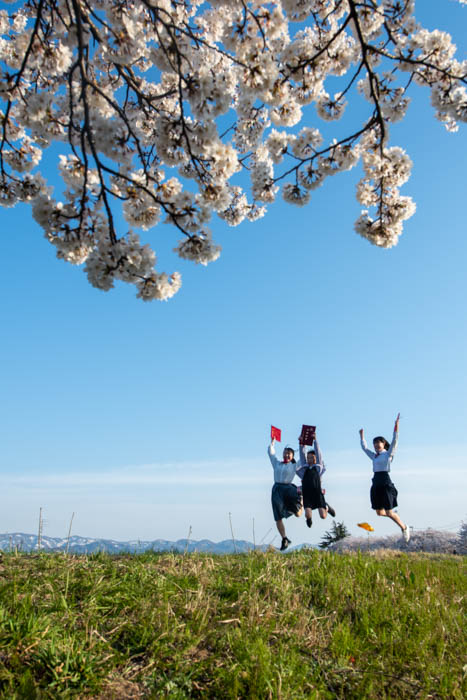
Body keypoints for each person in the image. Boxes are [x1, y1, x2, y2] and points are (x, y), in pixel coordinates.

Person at [359, 413, 410, 542]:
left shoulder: (388, 454)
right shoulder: (374, 456)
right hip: (376, 483)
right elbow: (364, 448)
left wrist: (396, 426)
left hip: (385, 481)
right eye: (374, 443)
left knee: (387, 512)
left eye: (378, 443)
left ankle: (404, 527)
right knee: (379, 513)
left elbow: (395, 441)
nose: (376, 445)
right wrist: (362, 437)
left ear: (383, 444)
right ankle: (393, 514)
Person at [268, 436, 303, 551]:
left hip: (289, 490)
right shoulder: (277, 464)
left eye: (289, 454)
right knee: (277, 517)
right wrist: (272, 443)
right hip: (277, 490)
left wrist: (301, 444)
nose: (286, 455)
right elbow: (271, 454)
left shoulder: (294, 465)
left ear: (292, 456)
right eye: (285, 453)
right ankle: (284, 539)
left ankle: (302, 499)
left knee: (298, 514)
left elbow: (303, 459)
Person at [297, 432, 336, 528]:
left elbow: (318, 453)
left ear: (315, 459)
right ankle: (309, 519)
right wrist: (301, 443)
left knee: (323, 516)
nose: (310, 459)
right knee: (307, 514)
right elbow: (302, 455)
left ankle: (326, 507)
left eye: (312, 458)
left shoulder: (318, 468)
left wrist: (315, 440)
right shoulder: (304, 468)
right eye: (308, 458)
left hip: (317, 493)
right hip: (307, 494)